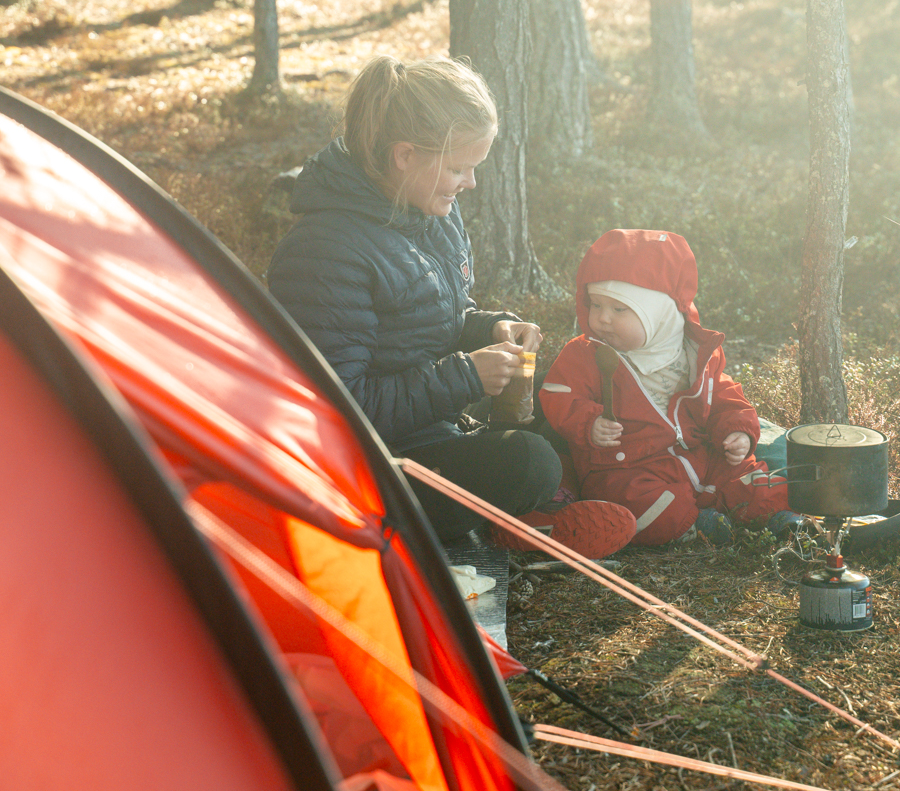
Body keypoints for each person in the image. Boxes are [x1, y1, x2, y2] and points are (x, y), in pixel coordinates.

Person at [267, 54, 635, 558]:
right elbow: (341, 411)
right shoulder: (323, 251)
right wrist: (465, 377)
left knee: (564, 392)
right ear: (405, 156)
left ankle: (535, 509)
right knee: (530, 461)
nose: (471, 183)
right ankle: (532, 514)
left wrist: (492, 329)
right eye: (459, 168)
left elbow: (436, 319)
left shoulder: (429, 211)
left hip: (438, 423)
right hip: (375, 468)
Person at [539, 228, 800, 547]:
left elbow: (724, 394)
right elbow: (558, 393)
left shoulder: (693, 352)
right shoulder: (586, 355)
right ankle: (696, 526)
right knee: (631, 502)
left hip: (700, 456)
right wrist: (588, 422)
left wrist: (738, 430)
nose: (602, 319)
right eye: (595, 305)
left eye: (619, 309)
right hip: (625, 465)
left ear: (659, 312)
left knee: (744, 475)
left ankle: (782, 517)